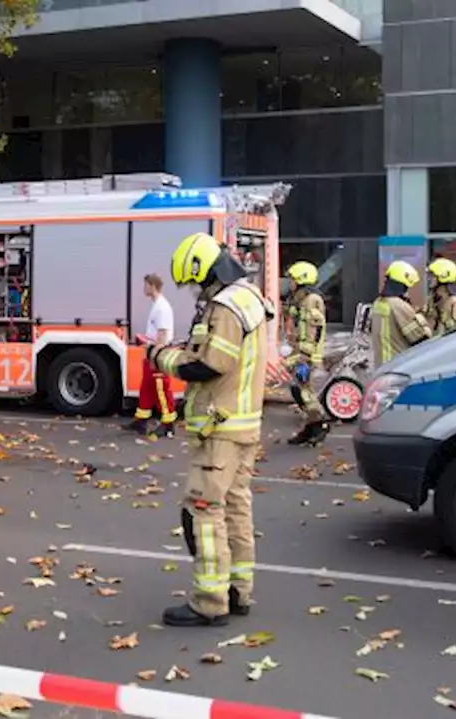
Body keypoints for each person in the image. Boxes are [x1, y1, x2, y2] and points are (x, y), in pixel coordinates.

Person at [149, 232, 273, 627]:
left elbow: (209, 364)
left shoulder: (224, 306)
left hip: (219, 431)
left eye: (196, 281)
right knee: (236, 508)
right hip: (243, 425)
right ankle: (239, 591)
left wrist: (161, 358)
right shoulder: (249, 297)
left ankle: (210, 601)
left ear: (204, 269)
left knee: (204, 513)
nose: (197, 290)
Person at [281, 261, 329, 446]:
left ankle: (319, 425)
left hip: (306, 356)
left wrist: (303, 358)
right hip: (300, 352)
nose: (289, 283)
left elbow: (311, 332)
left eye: (292, 279)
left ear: (301, 280)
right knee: (298, 390)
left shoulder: (311, 301)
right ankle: (310, 427)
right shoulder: (302, 299)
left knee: (305, 392)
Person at [125, 273, 177, 437]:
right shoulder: (157, 305)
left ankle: (168, 423)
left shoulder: (161, 307)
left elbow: (162, 333)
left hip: (157, 353)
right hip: (151, 351)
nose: (144, 288)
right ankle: (141, 420)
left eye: (146, 285)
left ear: (152, 286)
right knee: (146, 387)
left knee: (161, 388)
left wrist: (156, 354)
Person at [370, 260, 432, 369]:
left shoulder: (378, 303)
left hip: (381, 364)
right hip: (397, 365)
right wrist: (422, 320)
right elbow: (420, 338)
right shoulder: (399, 306)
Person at [425, 257, 456, 334]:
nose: (429, 279)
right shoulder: (433, 300)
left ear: (443, 276)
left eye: (432, 275)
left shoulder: (454, 302)